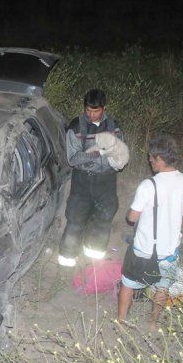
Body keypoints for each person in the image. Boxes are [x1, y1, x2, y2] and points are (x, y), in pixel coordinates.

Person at [117, 135, 183, 330]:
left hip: (144, 249)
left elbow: (132, 218)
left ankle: (122, 321)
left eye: (151, 157)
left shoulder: (148, 185)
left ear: (160, 159)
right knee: (162, 286)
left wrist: (132, 212)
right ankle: (153, 323)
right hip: (169, 250)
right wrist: (180, 208)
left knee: (128, 283)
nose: (149, 161)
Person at [58, 89, 125, 267]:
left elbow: (121, 158)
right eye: (88, 110)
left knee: (103, 220)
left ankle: (94, 260)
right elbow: (73, 159)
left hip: (107, 182)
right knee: (75, 219)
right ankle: (67, 258)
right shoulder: (76, 127)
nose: (91, 115)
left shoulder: (114, 127)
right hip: (83, 181)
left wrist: (116, 159)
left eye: (96, 111)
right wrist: (96, 153)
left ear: (104, 108)